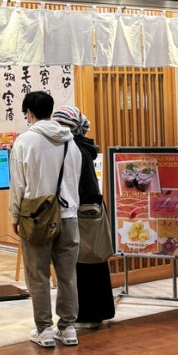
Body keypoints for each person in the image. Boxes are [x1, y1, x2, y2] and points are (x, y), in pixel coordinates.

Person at [9, 91, 82, 348]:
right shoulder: (70, 141)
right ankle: (68, 327)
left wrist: (14, 215)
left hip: (37, 218)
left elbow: (18, 184)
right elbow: (74, 180)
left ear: (29, 113)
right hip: (70, 215)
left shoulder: (25, 142)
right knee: (67, 273)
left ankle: (44, 330)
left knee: (38, 274)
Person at [53, 106, 116, 327]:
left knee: (84, 262)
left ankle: (88, 314)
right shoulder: (84, 148)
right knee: (92, 261)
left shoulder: (74, 150)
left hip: (82, 212)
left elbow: (81, 187)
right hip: (91, 210)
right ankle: (95, 313)